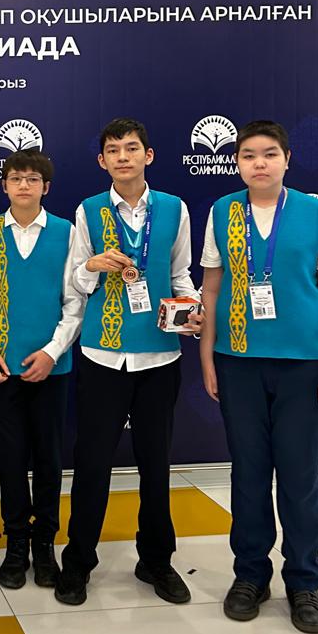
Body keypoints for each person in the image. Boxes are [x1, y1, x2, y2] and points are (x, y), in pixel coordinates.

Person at [56, 117, 202, 607]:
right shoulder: (88, 210)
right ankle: (78, 562)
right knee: (92, 464)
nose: (123, 156)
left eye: (132, 148)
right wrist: (91, 266)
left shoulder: (174, 208)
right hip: (102, 354)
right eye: (114, 150)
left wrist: (193, 308)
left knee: (156, 464)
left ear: (148, 155)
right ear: (102, 161)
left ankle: (156, 560)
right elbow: (74, 282)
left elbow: (180, 273)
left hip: (159, 354)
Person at [200, 120, 318, 634]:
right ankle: (250, 575)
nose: (259, 163)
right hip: (238, 361)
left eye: (270, 153)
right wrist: (208, 357)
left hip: (304, 364)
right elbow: (212, 289)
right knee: (249, 473)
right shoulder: (222, 211)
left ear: (287, 159)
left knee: (300, 477)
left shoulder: (315, 211)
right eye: (249, 155)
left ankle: (303, 581)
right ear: (236, 162)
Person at [0, 150, 83, 590]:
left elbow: (74, 302)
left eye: (32, 179)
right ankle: (16, 542)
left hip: (51, 367)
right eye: (15, 178)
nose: (23, 185)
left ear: (45, 187)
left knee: (49, 459)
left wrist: (52, 352)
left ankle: (44, 544)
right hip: (3, 366)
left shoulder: (66, 232)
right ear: (4, 185)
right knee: (11, 459)